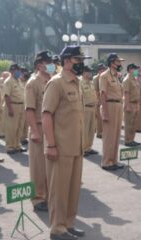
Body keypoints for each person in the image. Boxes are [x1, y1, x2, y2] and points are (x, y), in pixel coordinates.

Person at [42, 45, 90, 240]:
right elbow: (46, 115)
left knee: (72, 190)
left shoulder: (75, 83)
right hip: (60, 148)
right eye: (79, 60)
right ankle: (57, 228)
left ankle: (69, 224)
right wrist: (51, 144)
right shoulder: (56, 83)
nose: (81, 64)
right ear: (68, 60)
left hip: (75, 147)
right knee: (59, 191)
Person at [24, 50, 54, 212]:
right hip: (39, 126)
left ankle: (49, 195)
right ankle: (38, 198)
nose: (50, 64)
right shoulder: (33, 82)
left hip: (51, 127)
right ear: (39, 64)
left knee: (50, 164)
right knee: (38, 166)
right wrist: (34, 131)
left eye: (51, 61)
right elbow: (29, 109)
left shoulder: (52, 80)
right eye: (47, 61)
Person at [99, 53, 125, 171]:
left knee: (116, 135)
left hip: (118, 105)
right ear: (112, 63)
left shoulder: (116, 76)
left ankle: (114, 160)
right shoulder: (104, 76)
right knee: (109, 136)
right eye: (118, 62)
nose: (120, 64)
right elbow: (103, 94)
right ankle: (106, 162)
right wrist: (104, 112)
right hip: (109, 105)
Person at [3, 64, 27, 154]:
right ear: (12, 71)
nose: (19, 72)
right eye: (17, 70)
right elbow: (7, 96)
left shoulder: (18, 81)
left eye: (19, 70)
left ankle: (17, 145)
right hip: (13, 105)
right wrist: (10, 109)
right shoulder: (8, 81)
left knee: (19, 127)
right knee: (11, 128)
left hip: (21, 106)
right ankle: (10, 146)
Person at [80, 66, 98, 156]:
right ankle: (83, 148)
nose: (90, 74)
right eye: (89, 72)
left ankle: (89, 147)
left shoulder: (91, 83)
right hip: (85, 108)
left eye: (91, 72)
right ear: (84, 73)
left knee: (91, 129)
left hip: (92, 108)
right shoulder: (80, 83)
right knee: (85, 130)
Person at [123, 63, 141, 147]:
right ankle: (128, 140)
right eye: (135, 69)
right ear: (130, 69)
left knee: (134, 124)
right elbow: (126, 93)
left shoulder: (135, 79)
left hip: (135, 103)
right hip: (130, 103)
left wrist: (137, 104)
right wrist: (128, 105)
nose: (137, 71)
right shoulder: (127, 79)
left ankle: (132, 139)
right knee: (129, 124)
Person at [93, 64, 106, 139]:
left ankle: (103, 131)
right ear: (99, 70)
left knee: (103, 117)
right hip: (99, 100)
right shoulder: (96, 78)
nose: (103, 70)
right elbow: (96, 91)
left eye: (104, 69)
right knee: (99, 118)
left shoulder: (104, 77)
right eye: (102, 69)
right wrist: (98, 101)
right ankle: (99, 132)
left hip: (105, 100)